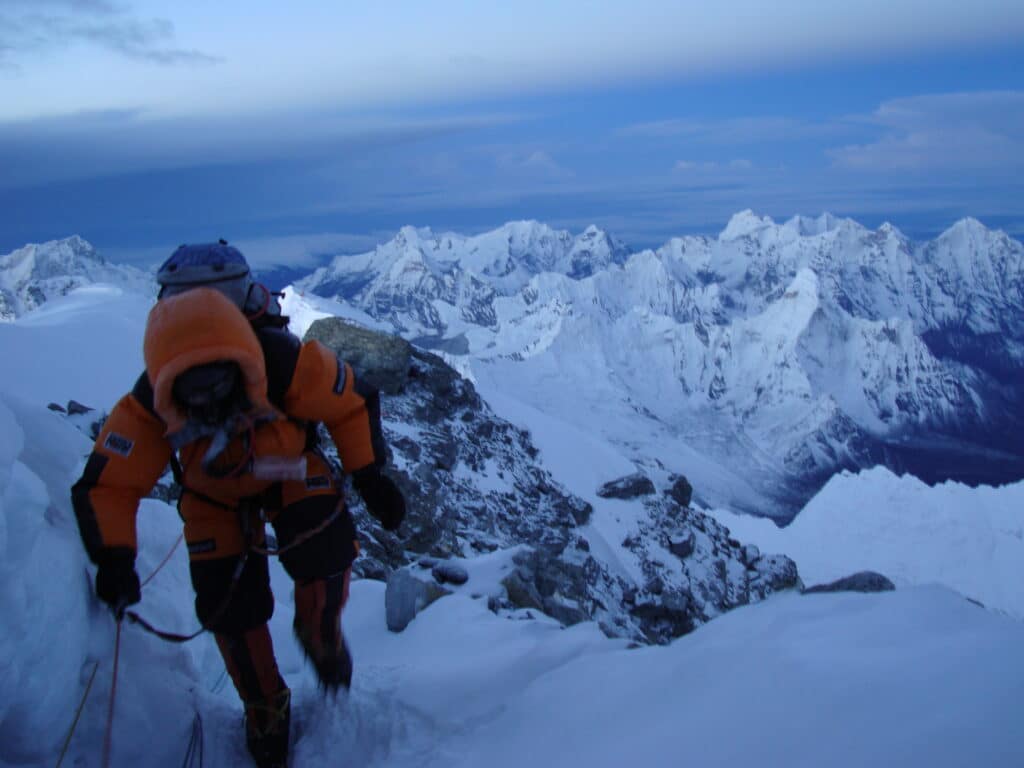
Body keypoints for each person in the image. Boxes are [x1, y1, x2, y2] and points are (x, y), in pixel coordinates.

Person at [71, 242, 406, 768]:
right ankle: (264, 702)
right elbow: (110, 484)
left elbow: (350, 403)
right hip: (224, 491)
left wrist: (369, 476)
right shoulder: (158, 397)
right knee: (229, 605)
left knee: (324, 544)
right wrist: (114, 555)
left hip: (279, 470)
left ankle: (318, 639)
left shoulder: (278, 364)